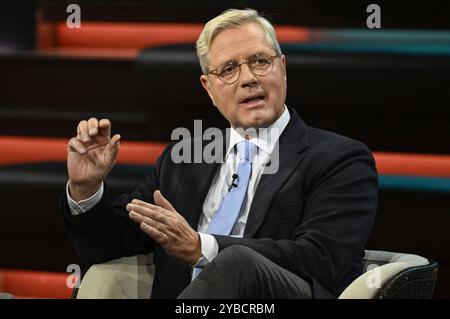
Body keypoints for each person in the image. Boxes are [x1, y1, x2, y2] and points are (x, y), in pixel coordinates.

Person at [61, 8, 378, 299]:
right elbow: (111, 245)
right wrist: (85, 189)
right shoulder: (184, 158)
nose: (249, 78)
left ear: (282, 68)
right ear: (209, 88)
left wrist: (202, 247)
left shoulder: (340, 159)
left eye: (260, 61)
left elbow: (322, 258)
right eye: (228, 69)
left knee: (237, 261)